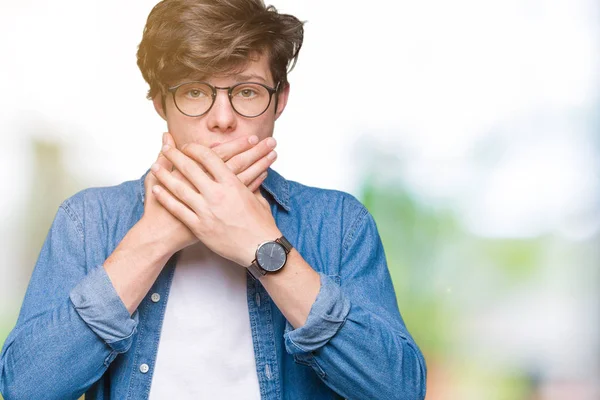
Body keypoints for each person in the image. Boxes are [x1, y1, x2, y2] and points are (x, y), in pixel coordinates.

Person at [0, 0, 426, 399]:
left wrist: (266, 249)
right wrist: (154, 238)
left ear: (279, 100)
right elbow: (25, 388)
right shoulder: (87, 221)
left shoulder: (338, 223)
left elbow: (400, 389)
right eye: (195, 92)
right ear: (160, 102)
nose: (222, 119)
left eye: (246, 92)